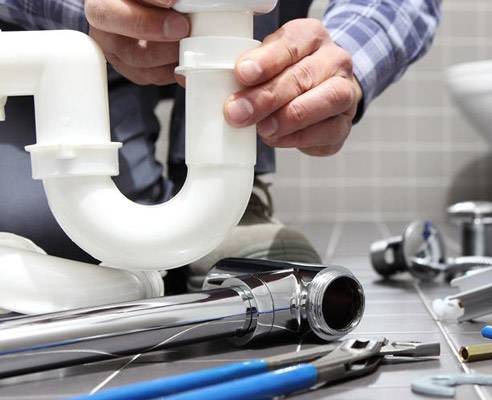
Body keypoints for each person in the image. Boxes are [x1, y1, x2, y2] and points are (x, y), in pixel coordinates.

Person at [0, 0, 440, 291]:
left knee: (114, 246)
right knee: (39, 226)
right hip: (36, 40)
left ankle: (231, 200)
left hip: (237, 33)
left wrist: (344, 60)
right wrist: (86, 9)